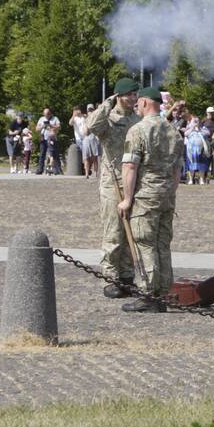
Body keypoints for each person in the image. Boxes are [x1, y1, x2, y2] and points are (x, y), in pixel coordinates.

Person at [117, 87, 185, 313]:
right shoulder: (174, 132)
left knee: (145, 243)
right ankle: (164, 293)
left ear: (145, 103)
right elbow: (177, 171)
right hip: (166, 197)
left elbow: (129, 166)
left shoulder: (138, 130)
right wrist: (170, 193)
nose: (136, 106)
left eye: (138, 103)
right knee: (162, 245)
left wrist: (127, 199)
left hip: (145, 196)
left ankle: (147, 295)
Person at [86, 77, 142, 298]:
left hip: (132, 181)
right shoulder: (108, 119)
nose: (133, 98)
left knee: (131, 231)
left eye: (135, 94)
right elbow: (91, 127)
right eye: (129, 94)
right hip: (112, 183)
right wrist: (107, 104)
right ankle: (110, 278)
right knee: (114, 232)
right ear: (119, 96)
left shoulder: (137, 120)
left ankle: (127, 277)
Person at [184, 114, 210, 185]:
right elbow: (186, 134)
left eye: (197, 121)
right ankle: (191, 179)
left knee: (202, 164)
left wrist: (199, 129)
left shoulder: (203, 128)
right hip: (191, 150)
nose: (196, 122)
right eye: (194, 121)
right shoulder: (189, 128)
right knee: (191, 164)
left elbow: (208, 133)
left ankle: (201, 179)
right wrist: (192, 128)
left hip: (201, 150)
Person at [36, 108, 62, 175]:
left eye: (47, 114)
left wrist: (51, 125)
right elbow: (37, 129)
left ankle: (57, 169)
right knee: (42, 154)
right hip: (43, 139)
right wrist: (43, 126)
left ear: (50, 113)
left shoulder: (55, 118)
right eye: (45, 114)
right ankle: (40, 169)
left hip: (52, 139)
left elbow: (59, 127)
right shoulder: (41, 119)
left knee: (54, 154)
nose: (46, 116)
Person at [82, 104, 101, 178]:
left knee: (94, 158)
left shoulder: (96, 119)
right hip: (86, 140)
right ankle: (86, 173)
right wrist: (87, 122)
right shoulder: (85, 120)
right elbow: (85, 132)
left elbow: (97, 130)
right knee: (86, 158)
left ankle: (95, 173)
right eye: (89, 110)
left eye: (91, 110)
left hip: (94, 139)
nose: (90, 112)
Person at [69, 106, 86, 174]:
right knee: (82, 152)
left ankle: (85, 168)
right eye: (75, 110)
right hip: (79, 138)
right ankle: (83, 168)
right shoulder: (74, 118)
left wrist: (82, 115)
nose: (77, 111)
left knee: (85, 153)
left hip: (85, 137)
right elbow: (70, 123)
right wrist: (73, 115)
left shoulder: (83, 117)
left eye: (78, 110)